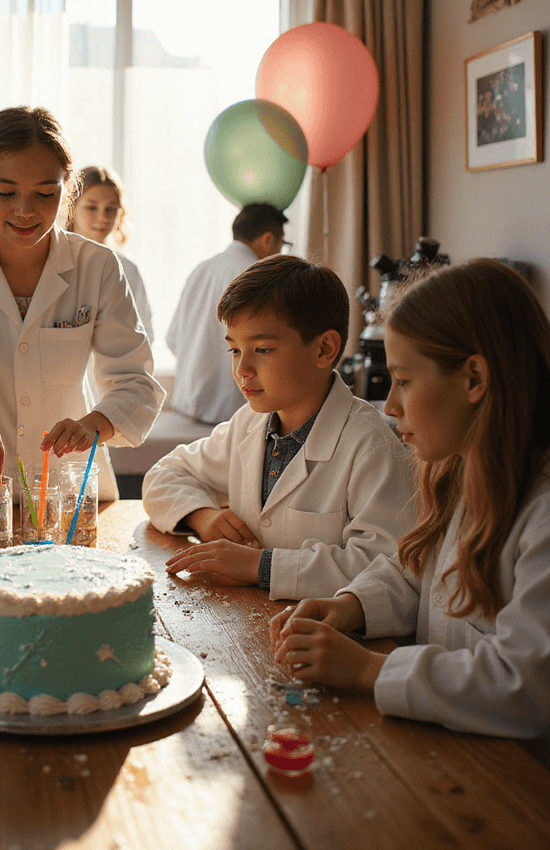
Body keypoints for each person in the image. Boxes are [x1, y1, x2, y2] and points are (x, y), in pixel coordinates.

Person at [270, 259, 550, 765]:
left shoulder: (542, 514)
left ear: (474, 379)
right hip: (452, 754)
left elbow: (525, 686)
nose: (390, 405)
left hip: (522, 785)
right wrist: (351, 605)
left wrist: (369, 671)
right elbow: (422, 574)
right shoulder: (462, 476)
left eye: (403, 381)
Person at [0, 105, 165, 505]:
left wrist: (94, 425)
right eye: (5, 193)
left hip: (65, 487)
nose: (25, 211)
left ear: (67, 188)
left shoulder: (97, 267)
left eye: (45, 194)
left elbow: (136, 381)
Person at [143, 255, 414, 600]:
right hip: (253, 622)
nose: (243, 369)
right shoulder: (250, 424)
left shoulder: (370, 446)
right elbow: (164, 475)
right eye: (234, 349)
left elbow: (384, 566)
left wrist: (259, 566)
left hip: (328, 639)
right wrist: (204, 516)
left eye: (262, 349)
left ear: (324, 349)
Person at [168, 202, 288, 425]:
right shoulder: (258, 276)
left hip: (187, 408)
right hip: (229, 413)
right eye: (283, 243)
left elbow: (172, 338)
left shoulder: (202, 268)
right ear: (268, 239)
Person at [67, 165, 154, 341]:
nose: (103, 218)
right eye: (91, 208)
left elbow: (143, 337)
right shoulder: (49, 263)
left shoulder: (128, 270)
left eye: (111, 209)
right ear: (71, 208)